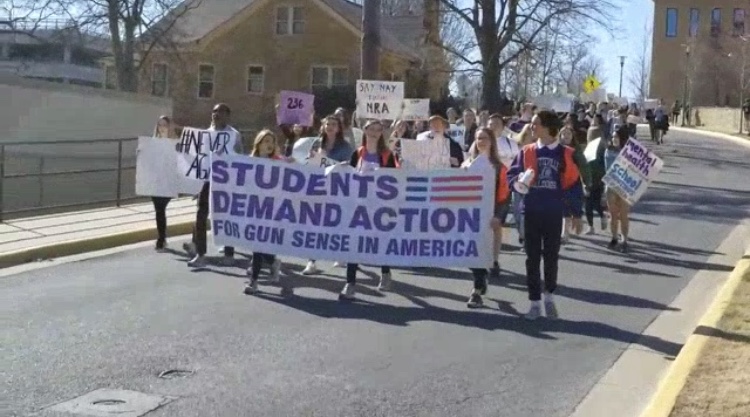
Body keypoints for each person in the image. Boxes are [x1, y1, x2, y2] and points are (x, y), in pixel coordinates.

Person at [507, 110, 581, 320]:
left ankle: (549, 295)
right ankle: (534, 302)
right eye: (531, 124)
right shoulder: (527, 151)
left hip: (553, 212)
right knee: (531, 258)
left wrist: (576, 214)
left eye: (536, 124)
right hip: (530, 210)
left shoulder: (565, 153)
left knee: (551, 257)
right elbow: (511, 174)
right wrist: (517, 182)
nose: (532, 127)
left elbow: (574, 184)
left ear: (548, 127)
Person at [340, 119, 399, 300]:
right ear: (364, 131)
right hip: (359, 206)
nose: (374, 132)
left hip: (380, 206)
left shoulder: (387, 155)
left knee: (380, 241)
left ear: (382, 133)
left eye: (378, 130)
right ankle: (350, 283)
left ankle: (386, 272)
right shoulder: (357, 153)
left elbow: (394, 180)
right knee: (354, 242)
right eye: (371, 129)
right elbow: (349, 176)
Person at [185, 103, 245, 268]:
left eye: (220, 112)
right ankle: (200, 253)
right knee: (200, 215)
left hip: (226, 182)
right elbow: (198, 159)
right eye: (214, 111)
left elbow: (241, 158)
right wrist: (194, 185)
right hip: (206, 180)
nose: (216, 114)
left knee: (225, 217)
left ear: (228, 115)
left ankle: (228, 253)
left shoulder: (234, 135)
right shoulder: (205, 134)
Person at [301, 115, 355, 276]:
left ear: (339, 128)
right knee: (315, 226)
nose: (330, 127)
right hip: (318, 188)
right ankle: (312, 261)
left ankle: (340, 254)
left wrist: (344, 165)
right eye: (328, 124)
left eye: (334, 124)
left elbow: (350, 166)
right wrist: (310, 157)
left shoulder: (345, 147)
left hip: (337, 189)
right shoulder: (316, 143)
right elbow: (305, 163)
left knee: (336, 223)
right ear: (323, 126)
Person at [463, 127, 508, 308]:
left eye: (484, 138)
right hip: (469, 217)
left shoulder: (499, 168)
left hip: (488, 218)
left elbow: (504, 196)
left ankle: (477, 290)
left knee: (480, 252)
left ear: (491, 141)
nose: (481, 141)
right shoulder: (467, 165)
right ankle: (481, 281)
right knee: (470, 253)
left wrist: (498, 216)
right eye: (478, 138)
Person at [243, 130, 289, 295]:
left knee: (259, 245)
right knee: (257, 245)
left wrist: (292, 163)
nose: (270, 144)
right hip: (254, 208)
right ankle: (272, 262)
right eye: (266, 141)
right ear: (259, 143)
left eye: (272, 141)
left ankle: (253, 282)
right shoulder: (249, 161)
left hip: (271, 210)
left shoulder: (278, 161)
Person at [148, 115, 176, 252]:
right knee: (159, 210)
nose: (162, 128)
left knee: (161, 207)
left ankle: (162, 238)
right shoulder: (152, 142)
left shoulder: (174, 142)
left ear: (169, 127)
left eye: (164, 125)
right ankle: (161, 238)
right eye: (160, 125)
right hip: (156, 181)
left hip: (168, 181)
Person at [605, 125, 632, 252]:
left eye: (617, 136)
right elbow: (606, 167)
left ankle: (624, 239)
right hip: (611, 185)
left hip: (625, 186)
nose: (614, 138)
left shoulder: (629, 152)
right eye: (613, 136)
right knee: (613, 214)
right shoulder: (608, 150)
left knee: (624, 215)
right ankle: (614, 237)